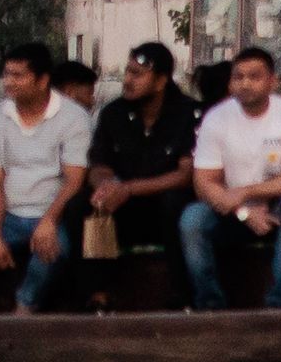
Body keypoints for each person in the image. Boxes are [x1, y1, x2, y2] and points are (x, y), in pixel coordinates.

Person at [0, 44, 98, 314]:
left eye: (18, 76)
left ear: (42, 81)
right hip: (7, 216)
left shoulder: (74, 118)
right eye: (7, 74)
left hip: (53, 215)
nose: (9, 82)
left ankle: (24, 307)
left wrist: (49, 221)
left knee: (54, 246)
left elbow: (74, 180)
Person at [183, 45, 281, 309]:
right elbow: (203, 182)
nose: (245, 83)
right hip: (231, 209)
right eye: (239, 77)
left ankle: (280, 301)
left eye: (254, 76)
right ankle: (210, 305)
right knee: (192, 219)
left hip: (277, 205)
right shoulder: (216, 119)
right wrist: (242, 209)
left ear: (272, 81)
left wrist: (246, 192)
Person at [78, 40, 199, 291]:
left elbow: (186, 175)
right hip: (122, 204)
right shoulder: (113, 113)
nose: (128, 81)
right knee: (86, 204)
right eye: (127, 72)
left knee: (177, 204)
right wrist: (106, 186)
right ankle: (98, 295)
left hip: (162, 202)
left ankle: (181, 295)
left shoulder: (188, 112)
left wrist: (129, 188)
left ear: (161, 80)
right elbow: (99, 164)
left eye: (137, 74)